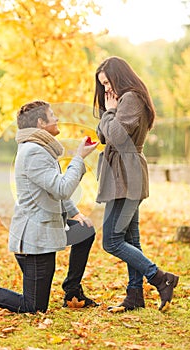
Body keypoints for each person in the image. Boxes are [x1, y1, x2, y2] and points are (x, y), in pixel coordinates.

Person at [0, 100, 99, 314]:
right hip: (34, 242)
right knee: (34, 307)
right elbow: (62, 188)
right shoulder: (33, 152)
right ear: (40, 122)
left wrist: (75, 213)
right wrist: (79, 158)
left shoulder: (41, 149)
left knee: (84, 230)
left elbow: (52, 190)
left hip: (45, 231)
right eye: (52, 115)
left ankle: (72, 292)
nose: (56, 118)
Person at [93, 56, 179, 313]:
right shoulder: (121, 100)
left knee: (111, 240)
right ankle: (135, 296)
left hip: (125, 175)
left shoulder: (130, 98)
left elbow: (117, 137)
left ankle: (160, 277)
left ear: (119, 76)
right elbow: (102, 135)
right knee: (131, 238)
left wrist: (110, 112)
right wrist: (109, 112)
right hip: (123, 173)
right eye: (102, 85)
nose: (106, 89)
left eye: (108, 82)